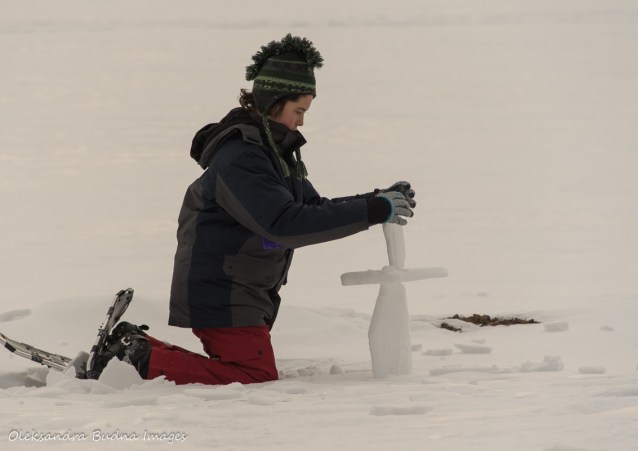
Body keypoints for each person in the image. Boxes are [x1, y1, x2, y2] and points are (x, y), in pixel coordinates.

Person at [91, 34, 416, 385]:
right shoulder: (243, 157)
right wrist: (372, 210)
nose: (302, 122)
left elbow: (313, 208)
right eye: (299, 111)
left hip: (241, 289)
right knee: (253, 376)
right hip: (224, 290)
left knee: (241, 370)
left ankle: (135, 346)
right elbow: (284, 223)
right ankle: (139, 356)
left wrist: (375, 199)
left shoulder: (272, 154)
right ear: (274, 102)